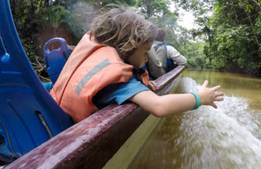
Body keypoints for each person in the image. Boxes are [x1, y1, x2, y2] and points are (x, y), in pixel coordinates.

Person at [50, 7, 223, 122]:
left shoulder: (96, 60)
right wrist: (200, 98)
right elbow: (159, 106)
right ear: (129, 46)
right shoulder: (119, 83)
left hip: (54, 117)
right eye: (146, 50)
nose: (148, 57)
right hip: (68, 130)